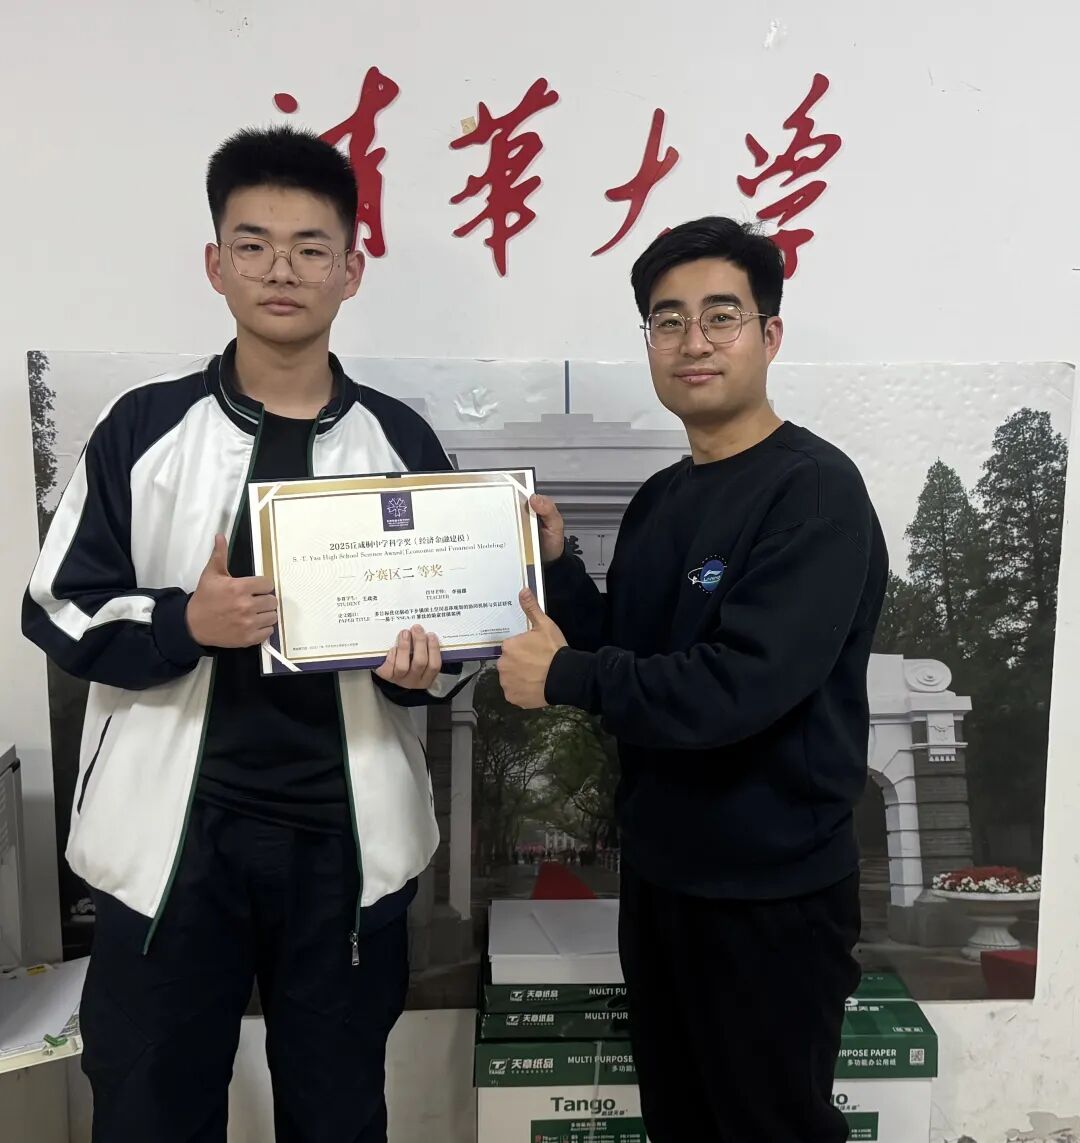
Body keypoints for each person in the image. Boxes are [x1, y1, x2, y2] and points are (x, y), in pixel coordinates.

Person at [22, 125, 472, 1143]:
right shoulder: (143, 429)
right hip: (171, 850)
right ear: (215, 263)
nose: (282, 270)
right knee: (150, 1112)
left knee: (338, 1114)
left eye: (312, 248)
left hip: (345, 851)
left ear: (352, 270)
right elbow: (57, 605)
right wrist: (184, 620)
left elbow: (451, 644)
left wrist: (423, 669)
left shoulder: (401, 440)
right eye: (254, 244)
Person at [497, 217, 888, 1142]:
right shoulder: (662, 499)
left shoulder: (813, 492)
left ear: (769, 334)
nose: (693, 341)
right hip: (664, 878)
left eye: (721, 315)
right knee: (680, 1121)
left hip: (772, 895)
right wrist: (555, 567)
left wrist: (566, 675)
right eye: (668, 321)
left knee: (770, 1126)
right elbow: (636, 649)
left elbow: (736, 686)